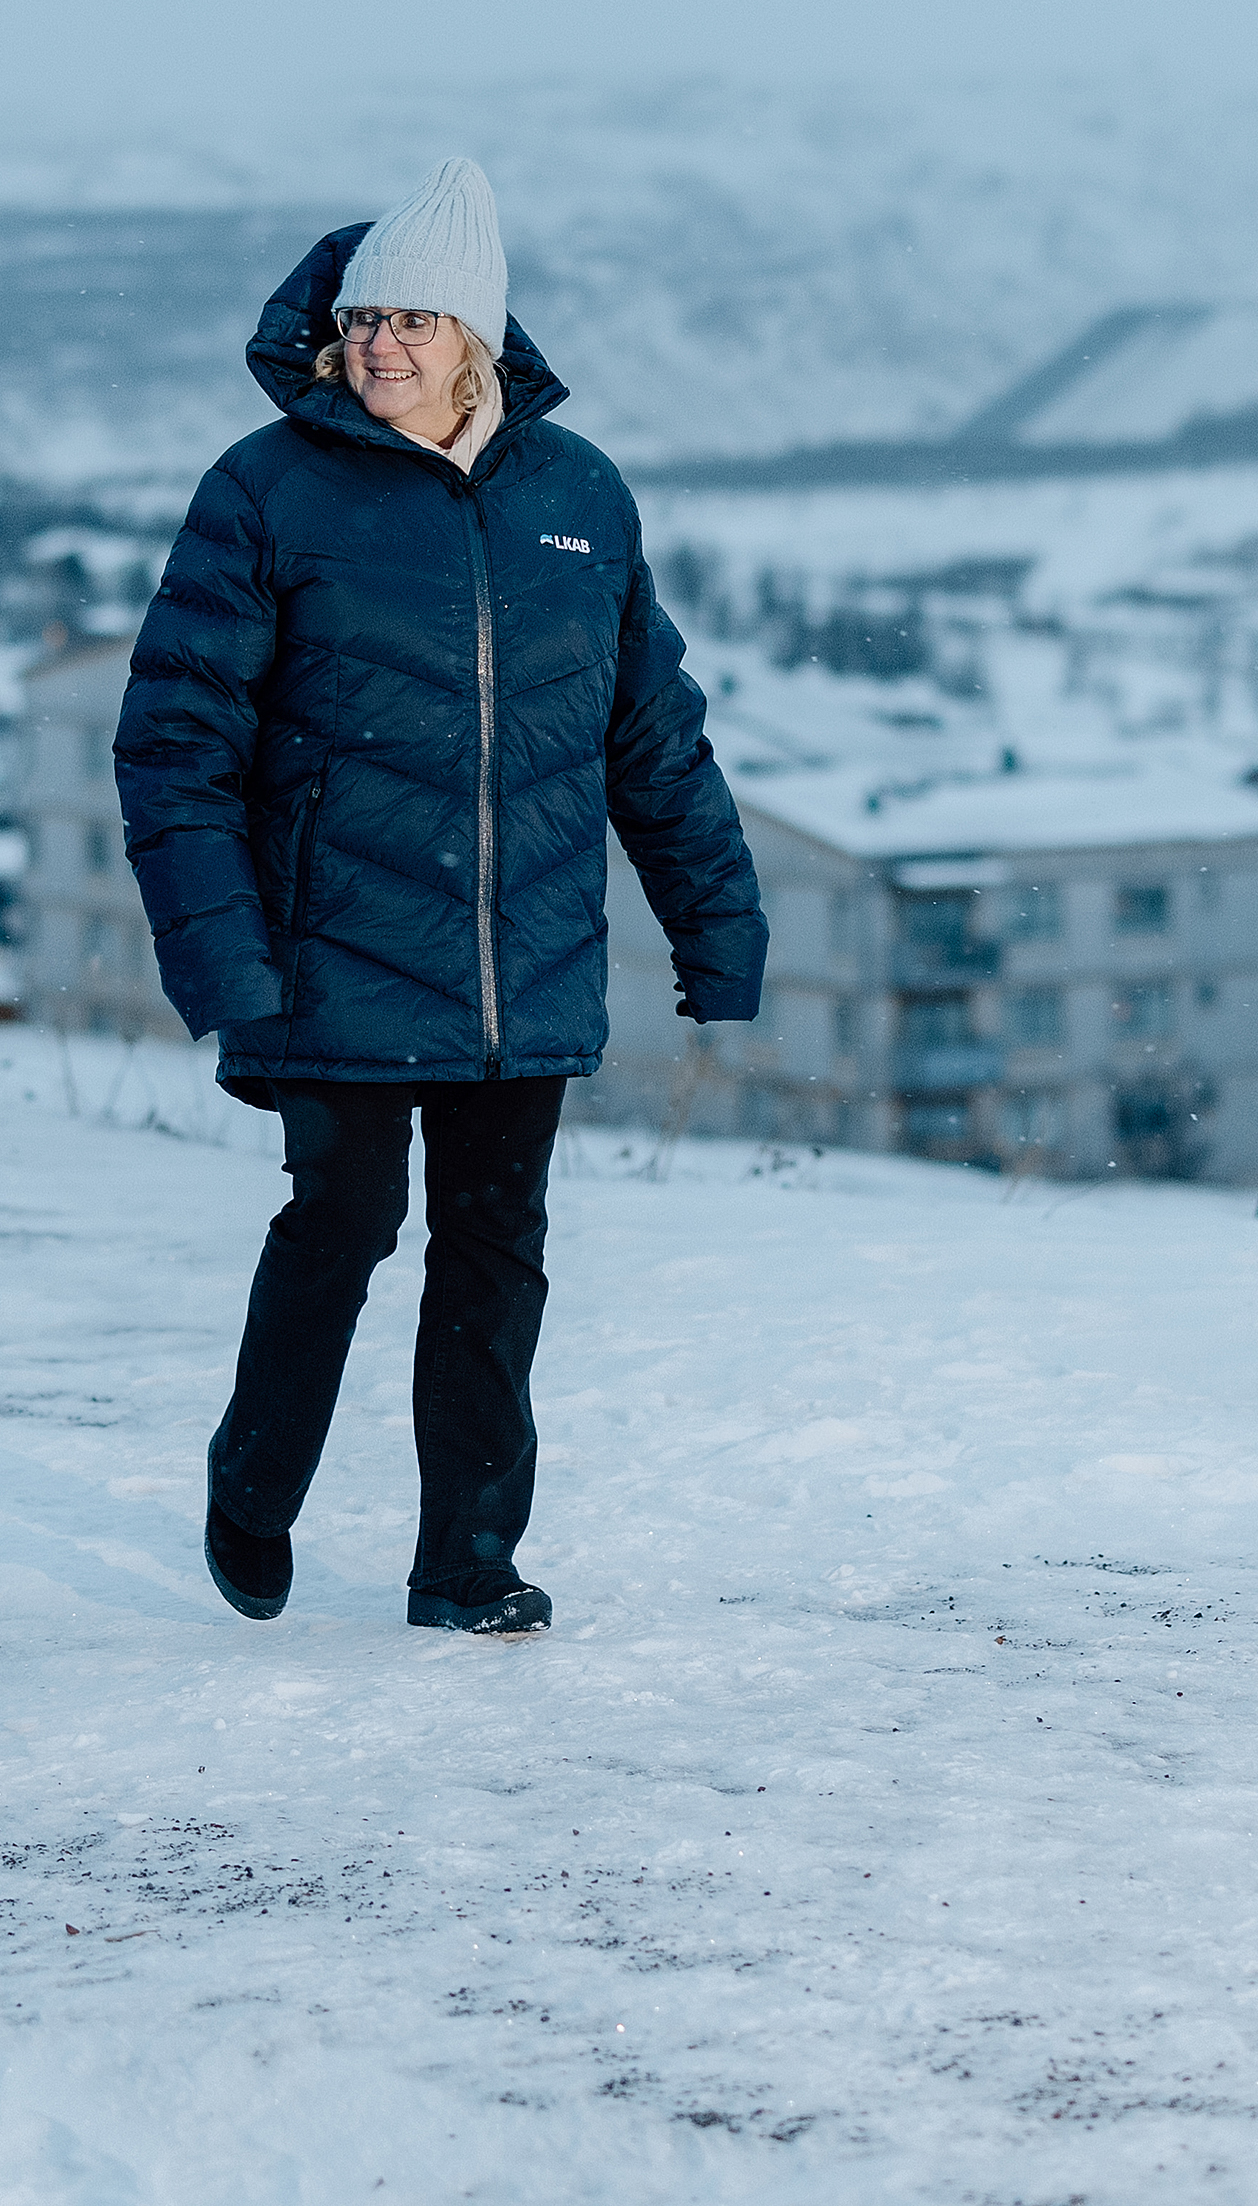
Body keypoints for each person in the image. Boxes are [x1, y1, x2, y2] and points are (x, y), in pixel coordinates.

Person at [117, 158, 766, 1637]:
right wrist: (224, 964)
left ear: (476, 332)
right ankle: (255, 1482)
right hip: (326, 954)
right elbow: (175, 747)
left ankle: (467, 1558)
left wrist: (716, 923)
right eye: (362, 320)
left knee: (496, 1257)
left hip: (521, 962)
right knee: (341, 1224)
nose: (382, 347)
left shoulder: (577, 496)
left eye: (416, 319)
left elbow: (651, 738)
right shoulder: (266, 489)